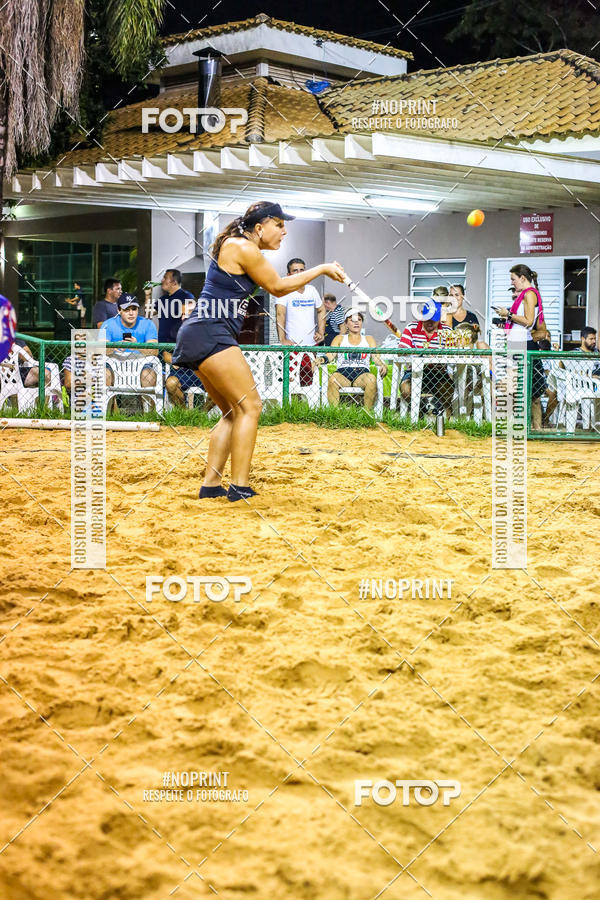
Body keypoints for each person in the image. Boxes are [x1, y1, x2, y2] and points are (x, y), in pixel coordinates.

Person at [172, 200, 346, 501]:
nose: (284, 231)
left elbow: (275, 283)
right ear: (259, 227)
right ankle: (239, 486)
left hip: (201, 333)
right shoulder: (243, 247)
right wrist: (321, 269)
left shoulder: (237, 245)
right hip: (211, 332)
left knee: (232, 412)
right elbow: (277, 287)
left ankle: (211, 485)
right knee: (251, 407)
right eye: (279, 225)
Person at [496, 264, 546, 430]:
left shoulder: (530, 294)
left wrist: (508, 314)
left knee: (532, 392)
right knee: (513, 390)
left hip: (524, 346)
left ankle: (536, 429)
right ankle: (515, 427)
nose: (512, 282)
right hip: (517, 344)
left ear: (523, 278)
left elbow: (528, 321)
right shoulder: (526, 294)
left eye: (513, 279)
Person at [317, 308, 387, 410]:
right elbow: (330, 355)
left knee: (371, 379)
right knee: (333, 379)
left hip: (362, 373)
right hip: (343, 372)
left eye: (359, 320)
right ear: (346, 324)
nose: (356, 322)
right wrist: (320, 360)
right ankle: (334, 414)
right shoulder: (340, 338)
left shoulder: (368, 339)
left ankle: (367, 415)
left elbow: (376, 358)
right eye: (352, 320)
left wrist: (382, 364)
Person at [398, 305, 454, 415]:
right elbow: (401, 351)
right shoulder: (411, 327)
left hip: (439, 373)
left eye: (434, 319)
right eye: (427, 318)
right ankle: (420, 411)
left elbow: (453, 355)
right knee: (405, 389)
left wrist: (440, 357)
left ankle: (444, 421)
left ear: (439, 317)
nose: (430, 322)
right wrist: (420, 354)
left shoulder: (447, 331)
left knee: (448, 391)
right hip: (414, 371)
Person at [101, 294, 159, 392]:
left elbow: (155, 351)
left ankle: (147, 402)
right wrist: (114, 346)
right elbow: (100, 350)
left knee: (149, 376)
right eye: (126, 310)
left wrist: (137, 346)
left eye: (134, 309)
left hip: (141, 364)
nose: (131, 313)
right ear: (119, 310)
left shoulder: (148, 324)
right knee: (104, 374)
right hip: (114, 364)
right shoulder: (108, 324)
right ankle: (109, 402)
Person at [164, 297, 213, 408]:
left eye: (189, 313)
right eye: (183, 314)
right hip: (181, 373)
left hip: (203, 372)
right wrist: (174, 360)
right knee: (170, 384)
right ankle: (184, 413)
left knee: (219, 386)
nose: (185, 317)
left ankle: (203, 415)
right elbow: (165, 354)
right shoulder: (174, 330)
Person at [157, 269, 195, 343]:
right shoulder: (162, 299)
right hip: (162, 344)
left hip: (178, 343)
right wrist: (148, 295)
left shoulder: (186, 296)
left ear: (174, 282)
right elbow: (149, 313)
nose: (162, 280)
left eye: (165, 278)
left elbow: (189, 321)